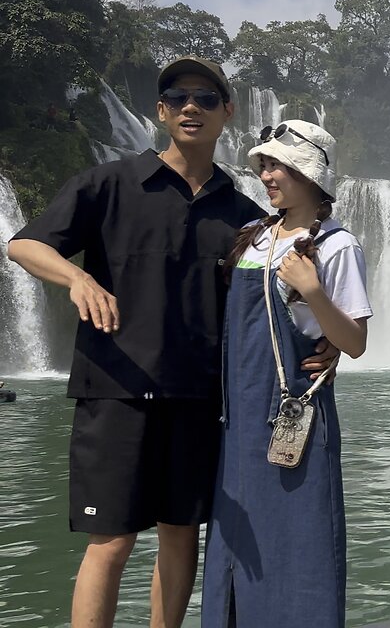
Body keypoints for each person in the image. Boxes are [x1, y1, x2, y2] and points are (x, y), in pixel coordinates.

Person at [5, 56, 337, 628]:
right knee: (110, 542)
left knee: (181, 536)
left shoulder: (246, 217)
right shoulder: (107, 184)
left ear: (226, 113)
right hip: (116, 389)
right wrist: (79, 277)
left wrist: (326, 336)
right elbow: (24, 246)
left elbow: (293, 283)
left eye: (206, 98)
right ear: (160, 111)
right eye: (177, 97)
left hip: (199, 399)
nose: (191, 106)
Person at [202, 120, 371, 628]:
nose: (267, 175)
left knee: (300, 546)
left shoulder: (339, 247)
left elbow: (357, 343)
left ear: (310, 175)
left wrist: (312, 290)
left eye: (278, 166)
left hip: (291, 420)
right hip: (236, 426)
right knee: (238, 552)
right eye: (265, 166)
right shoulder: (251, 238)